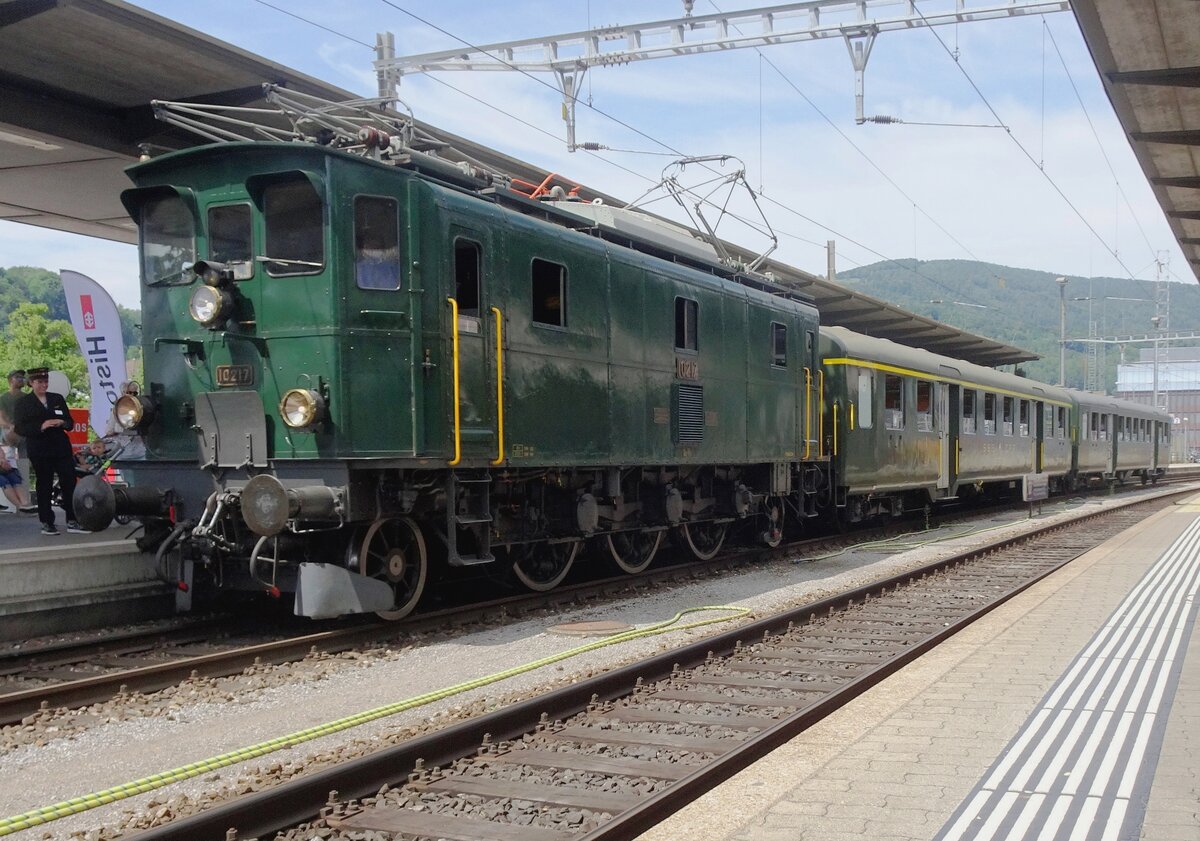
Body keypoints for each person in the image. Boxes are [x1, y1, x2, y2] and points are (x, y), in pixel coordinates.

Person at [13, 368, 85, 535]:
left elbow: (70, 422)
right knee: (44, 484)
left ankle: (72, 519)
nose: (43, 385)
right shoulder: (24, 403)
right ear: (31, 383)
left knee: (69, 481)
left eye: (45, 382)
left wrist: (61, 422)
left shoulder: (56, 398)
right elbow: (20, 428)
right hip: (39, 448)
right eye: (39, 382)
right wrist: (41, 426)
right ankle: (47, 521)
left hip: (60, 447)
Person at [0, 370, 31, 483]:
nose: (21, 379)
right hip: (8, 433)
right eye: (17, 377)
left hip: (23, 434)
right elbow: (1, 419)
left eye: (22, 377)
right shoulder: (3, 398)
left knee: (25, 460)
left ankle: (23, 482)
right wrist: (10, 426)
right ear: (10, 380)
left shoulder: (28, 398)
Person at [0, 444, 37, 514]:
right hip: (5, 461)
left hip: (9, 462)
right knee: (5, 482)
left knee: (16, 480)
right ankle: (21, 505)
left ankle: (25, 504)